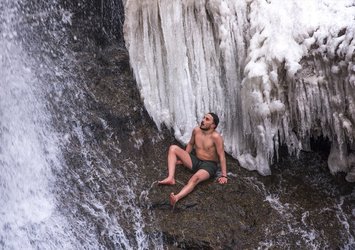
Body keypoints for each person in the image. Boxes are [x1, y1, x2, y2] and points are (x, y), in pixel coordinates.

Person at [158, 112, 228, 207]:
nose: (203, 120)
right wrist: (185, 158)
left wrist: (224, 176)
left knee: (194, 178)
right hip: (196, 160)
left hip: (209, 165)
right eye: (203, 118)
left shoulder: (216, 137)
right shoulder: (196, 130)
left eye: (207, 119)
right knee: (173, 148)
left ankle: (176, 197)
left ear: (213, 125)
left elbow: (222, 156)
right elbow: (191, 144)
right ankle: (171, 178)